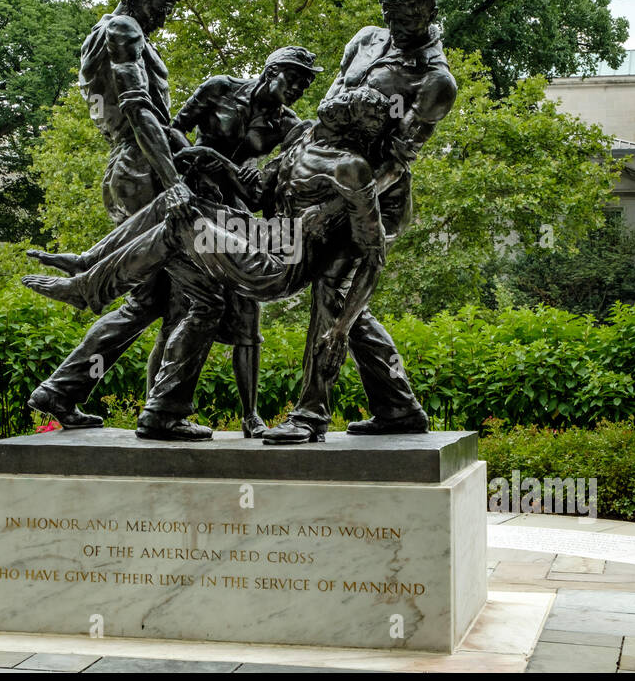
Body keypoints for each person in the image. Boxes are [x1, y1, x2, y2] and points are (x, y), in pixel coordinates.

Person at [24, 87, 393, 443]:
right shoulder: (305, 139)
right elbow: (254, 193)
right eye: (348, 97)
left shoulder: (351, 168)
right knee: (184, 221)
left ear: (355, 124)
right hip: (264, 233)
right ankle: (157, 408)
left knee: (182, 223)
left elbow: (373, 254)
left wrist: (342, 327)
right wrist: (219, 164)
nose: (339, 101)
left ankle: (88, 289)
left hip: (281, 260)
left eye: (352, 106)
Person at [39, 46, 322, 437]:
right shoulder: (220, 88)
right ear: (270, 71)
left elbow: (266, 188)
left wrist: (226, 169)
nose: (297, 90)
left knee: (172, 308)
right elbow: (172, 128)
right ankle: (146, 407)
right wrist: (192, 158)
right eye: (293, 79)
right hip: (187, 196)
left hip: (225, 214)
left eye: (305, 85)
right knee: (161, 306)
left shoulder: (286, 124)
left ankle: (82, 368)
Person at [265, 0, 458, 442]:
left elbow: (397, 160)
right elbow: (331, 104)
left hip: (374, 195)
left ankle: (310, 414)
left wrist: (335, 211)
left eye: (407, 15)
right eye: (389, 12)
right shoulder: (367, 40)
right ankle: (398, 408)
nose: (395, 23)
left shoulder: (436, 81)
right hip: (330, 172)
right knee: (353, 306)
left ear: (430, 12)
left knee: (332, 286)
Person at [26, 0, 201, 438]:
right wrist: (173, 180)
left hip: (135, 165)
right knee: (190, 296)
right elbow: (138, 108)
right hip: (143, 167)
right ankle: (164, 411)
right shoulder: (122, 29)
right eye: (164, 2)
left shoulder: (114, 31)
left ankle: (65, 390)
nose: (166, 14)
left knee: (153, 302)